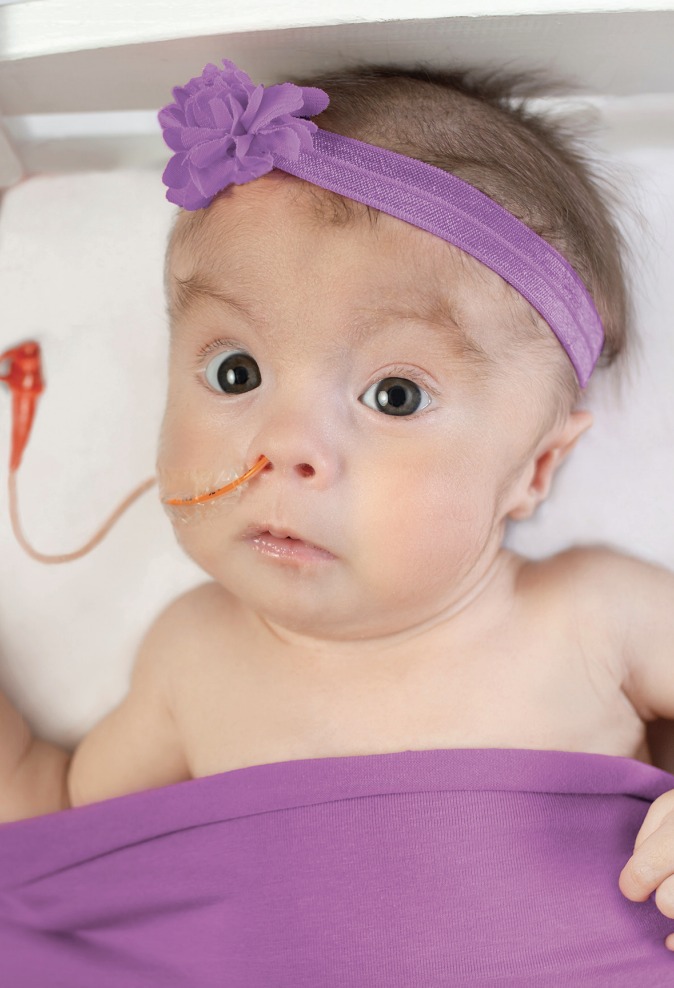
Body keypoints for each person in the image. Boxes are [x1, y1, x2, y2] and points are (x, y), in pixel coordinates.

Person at [1, 56, 674, 937]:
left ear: (534, 470)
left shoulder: (595, 613)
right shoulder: (193, 656)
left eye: (395, 396)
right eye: (235, 372)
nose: (283, 444)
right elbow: (57, 833)